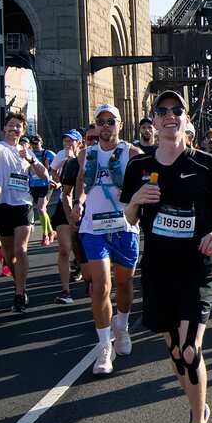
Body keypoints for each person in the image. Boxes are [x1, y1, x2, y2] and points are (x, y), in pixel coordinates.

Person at [122, 89, 212, 423]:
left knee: (189, 349)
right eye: (163, 111)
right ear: (153, 121)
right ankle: (197, 406)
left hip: (196, 265)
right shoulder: (138, 167)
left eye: (177, 111)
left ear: (187, 120)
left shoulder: (206, 164)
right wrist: (136, 199)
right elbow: (129, 218)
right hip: (158, 268)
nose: (170, 116)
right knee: (175, 352)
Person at [69, 105, 140, 374]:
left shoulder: (132, 153)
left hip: (124, 226)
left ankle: (122, 327)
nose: (106, 126)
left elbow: (148, 181)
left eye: (111, 121)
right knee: (101, 286)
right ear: (96, 125)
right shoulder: (86, 154)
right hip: (94, 227)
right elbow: (82, 181)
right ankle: (103, 348)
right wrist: (78, 202)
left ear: (120, 124)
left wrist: (136, 199)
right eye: (101, 122)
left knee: (124, 283)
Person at [0, 111, 49, 312]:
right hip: (1, 206)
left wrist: (31, 159)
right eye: (11, 124)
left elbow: (44, 175)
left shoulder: (26, 151)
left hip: (22, 205)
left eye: (18, 126)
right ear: (4, 128)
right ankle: (17, 280)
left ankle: (20, 292)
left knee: (21, 249)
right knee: (9, 254)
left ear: (23, 130)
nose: (14, 128)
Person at [49, 130, 84, 302]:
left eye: (71, 141)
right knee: (64, 247)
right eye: (65, 141)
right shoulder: (60, 155)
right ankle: (65, 291)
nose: (67, 144)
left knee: (79, 245)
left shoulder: (86, 157)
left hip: (84, 205)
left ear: (79, 143)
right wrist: (58, 179)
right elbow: (53, 172)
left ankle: (83, 270)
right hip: (65, 203)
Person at [27, 134, 56, 247]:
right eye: (33, 143)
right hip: (33, 185)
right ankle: (51, 231)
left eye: (37, 143)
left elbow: (57, 165)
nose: (35, 146)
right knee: (42, 210)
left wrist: (55, 179)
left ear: (41, 142)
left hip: (45, 185)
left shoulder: (48, 153)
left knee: (41, 208)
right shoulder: (29, 154)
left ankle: (45, 235)